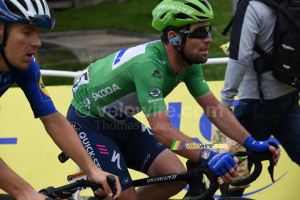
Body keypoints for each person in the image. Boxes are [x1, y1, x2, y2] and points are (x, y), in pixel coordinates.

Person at [66, 0, 280, 199]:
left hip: (119, 121)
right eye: (201, 32)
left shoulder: (189, 63)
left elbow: (214, 107)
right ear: (174, 38)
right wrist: (208, 155)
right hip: (89, 122)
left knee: (176, 176)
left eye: (209, 30)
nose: (209, 38)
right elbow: (162, 131)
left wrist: (251, 143)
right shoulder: (149, 67)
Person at [0, 0, 121, 199]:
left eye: (37, 33)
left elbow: (53, 119)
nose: (37, 42)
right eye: (27, 32)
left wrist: (92, 169)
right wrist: (25, 192)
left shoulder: (26, 66)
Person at [221, 0, 300, 197]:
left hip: (257, 102)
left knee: (231, 176)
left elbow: (240, 56)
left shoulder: (250, 6)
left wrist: (225, 101)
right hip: (288, 93)